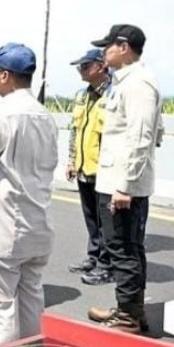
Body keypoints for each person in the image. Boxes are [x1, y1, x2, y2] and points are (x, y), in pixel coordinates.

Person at [0, 43, 58, 347]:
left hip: (2, 227)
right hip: (38, 224)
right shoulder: (46, 116)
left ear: (5, 76)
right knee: (31, 299)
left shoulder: (0, 115)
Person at [86, 24, 161, 334]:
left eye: (108, 46)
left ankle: (129, 317)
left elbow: (142, 137)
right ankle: (131, 309)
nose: (104, 52)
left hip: (122, 185)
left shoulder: (139, 84)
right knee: (125, 246)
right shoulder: (126, 82)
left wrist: (125, 186)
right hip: (116, 181)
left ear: (124, 47)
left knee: (123, 249)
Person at [65, 48, 114, 286]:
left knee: (107, 221)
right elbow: (74, 131)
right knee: (91, 218)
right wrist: (72, 160)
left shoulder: (114, 95)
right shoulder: (82, 96)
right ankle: (94, 257)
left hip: (105, 170)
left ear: (100, 66)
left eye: (85, 66)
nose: (81, 71)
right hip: (85, 168)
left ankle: (106, 264)